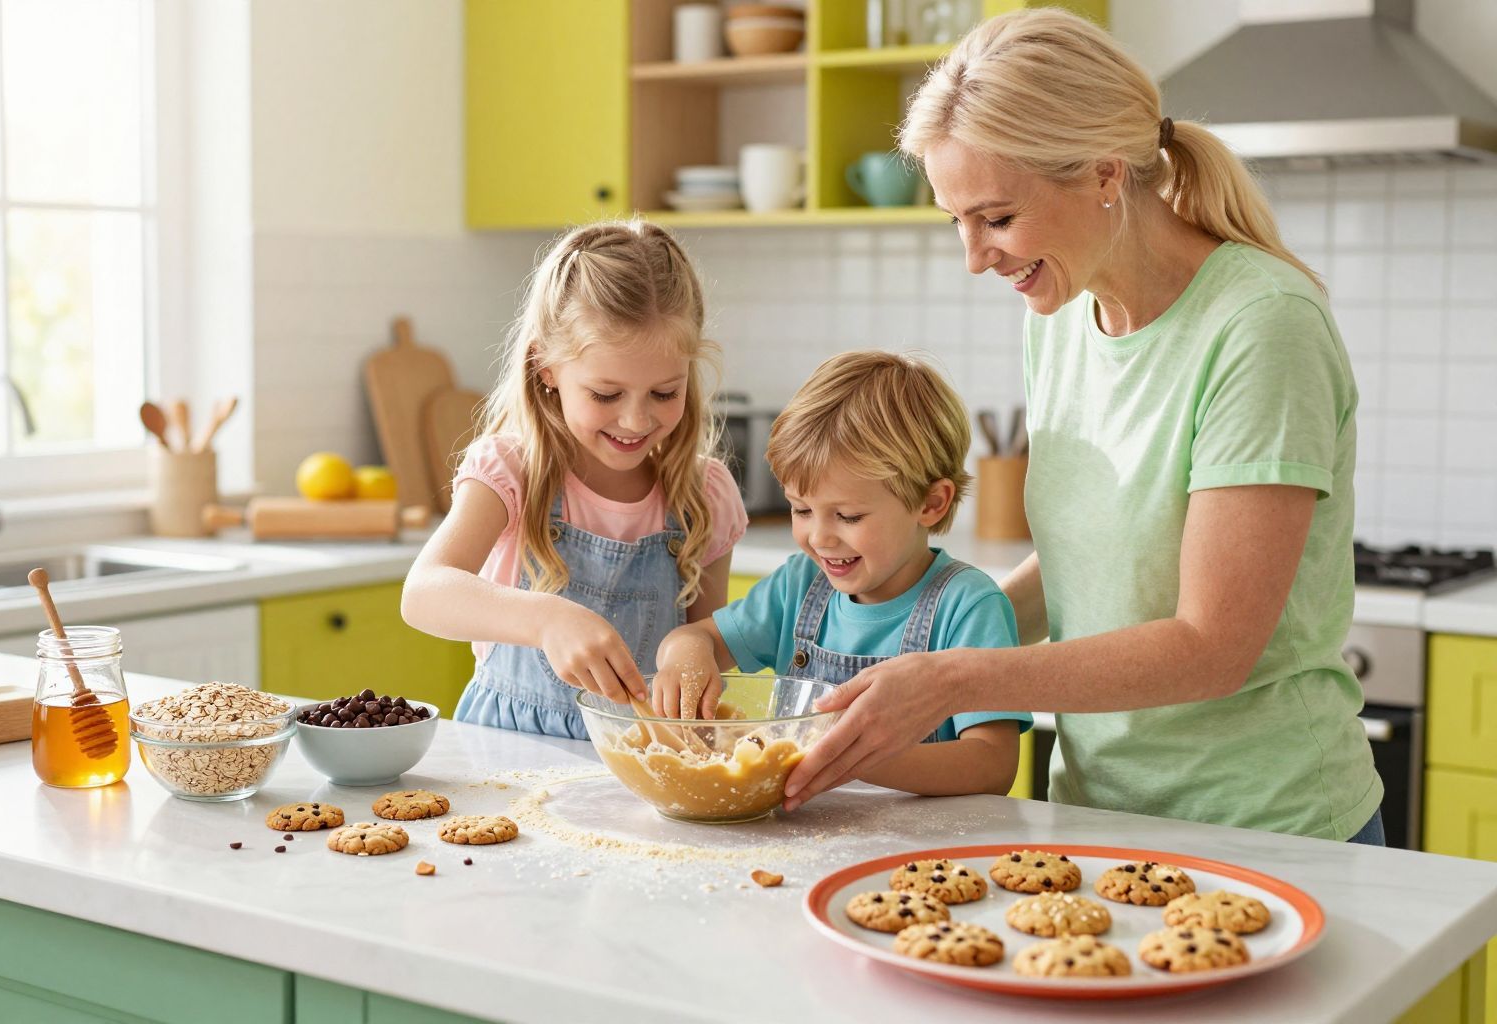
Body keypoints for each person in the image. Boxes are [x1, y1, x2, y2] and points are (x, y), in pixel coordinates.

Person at [781, 10, 1384, 845]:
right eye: (956, 221)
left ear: (1104, 175)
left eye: (996, 218)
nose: (975, 257)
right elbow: (1087, 573)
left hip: (1267, 829)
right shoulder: (1063, 312)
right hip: (1094, 814)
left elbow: (1213, 646)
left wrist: (953, 679)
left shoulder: (1261, 325)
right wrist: (915, 649)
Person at [401, 221, 748, 739]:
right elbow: (424, 593)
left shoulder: (705, 496)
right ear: (546, 368)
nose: (635, 419)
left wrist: (697, 665)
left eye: (664, 392)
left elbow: (708, 645)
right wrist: (546, 619)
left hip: (642, 757)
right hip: (507, 753)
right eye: (606, 395)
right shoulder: (511, 471)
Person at [653, 351, 1029, 797]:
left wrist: (852, 756)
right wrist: (685, 657)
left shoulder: (967, 606)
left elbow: (992, 764)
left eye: (848, 516)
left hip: (917, 835)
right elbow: (696, 639)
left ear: (931, 504)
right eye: (801, 510)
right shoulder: (799, 585)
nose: (819, 538)